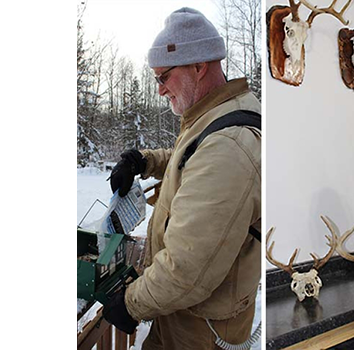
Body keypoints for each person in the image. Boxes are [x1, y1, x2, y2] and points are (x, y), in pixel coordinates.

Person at [103, 8, 262, 349]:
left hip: (201, 328)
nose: (159, 90)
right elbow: (189, 159)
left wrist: (130, 304)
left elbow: (186, 270)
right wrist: (144, 161)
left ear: (198, 65)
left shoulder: (229, 146)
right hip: (180, 311)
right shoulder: (215, 114)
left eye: (163, 77)